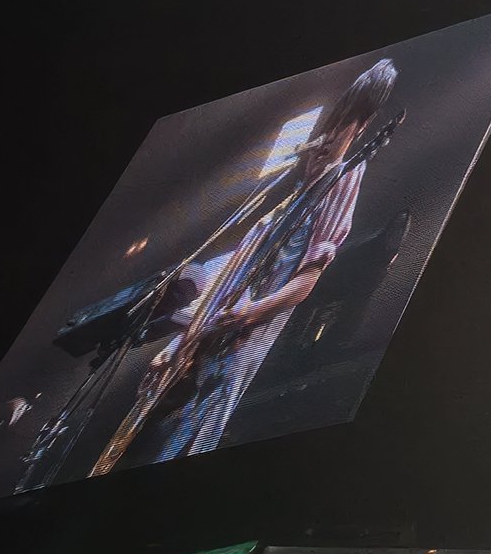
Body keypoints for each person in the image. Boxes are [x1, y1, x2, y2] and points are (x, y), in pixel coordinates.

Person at [105, 59, 397, 471]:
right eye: (330, 124)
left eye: (343, 126)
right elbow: (228, 276)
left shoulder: (346, 176)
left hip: (246, 335)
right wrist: (177, 341)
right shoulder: (285, 202)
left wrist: (250, 313)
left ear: (360, 129)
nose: (327, 139)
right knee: (152, 421)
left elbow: (307, 279)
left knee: (202, 426)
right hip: (212, 327)